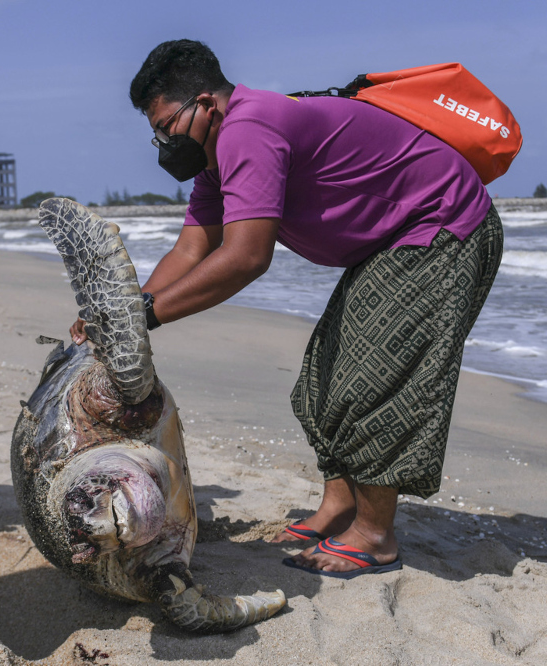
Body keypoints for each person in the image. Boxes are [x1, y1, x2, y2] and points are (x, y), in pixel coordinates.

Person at [72, 39, 502, 578]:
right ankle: (339, 507)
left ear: (206, 105)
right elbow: (191, 249)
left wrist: (143, 318)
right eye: (153, 130)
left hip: (443, 226)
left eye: (166, 124)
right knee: (323, 379)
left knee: (370, 382)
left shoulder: (251, 129)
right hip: (390, 242)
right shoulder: (214, 161)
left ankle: (375, 535)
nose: (161, 141)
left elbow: (247, 257)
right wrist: (124, 312)